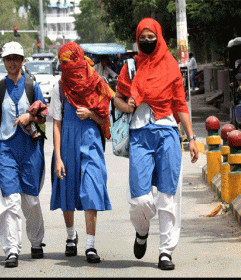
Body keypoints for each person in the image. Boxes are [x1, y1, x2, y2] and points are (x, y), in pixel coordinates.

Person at [114, 18, 199, 271]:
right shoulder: (130, 67)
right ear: (137, 38)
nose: (147, 42)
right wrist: (126, 105)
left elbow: (180, 104)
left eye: (152, 38)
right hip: (139, 133)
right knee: (140, 199)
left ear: (159, 37)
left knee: (168, 195)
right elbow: (116, 98)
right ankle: (142, 231)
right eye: (143, 37)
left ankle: (165, 251)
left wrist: (192, 137)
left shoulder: (171, 65)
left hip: (167, 131)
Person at [49, 42, 114, 264]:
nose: (67, 66)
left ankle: (90, 246)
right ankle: (70, 237)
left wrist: (90, 114)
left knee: (92, 189)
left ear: (79, 58)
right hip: (66, 144)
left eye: (70, 60)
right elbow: (56, 124)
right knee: (67, 190)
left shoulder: (97, 83)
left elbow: (105, 119)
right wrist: (57, 158)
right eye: (62, 62)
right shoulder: (58, 88)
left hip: (91, 143)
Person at [0, 41, 47, 268]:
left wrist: (29, 117)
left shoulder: (33, 86)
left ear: (22, 61)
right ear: (4, 62)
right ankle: (12, 249)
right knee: (10, 200)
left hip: (30, 150)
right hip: (6, 149)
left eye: (16, 58)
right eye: (7, 58)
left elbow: (43, 117)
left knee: (30, 200)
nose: (12, 62)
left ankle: (36, 240)